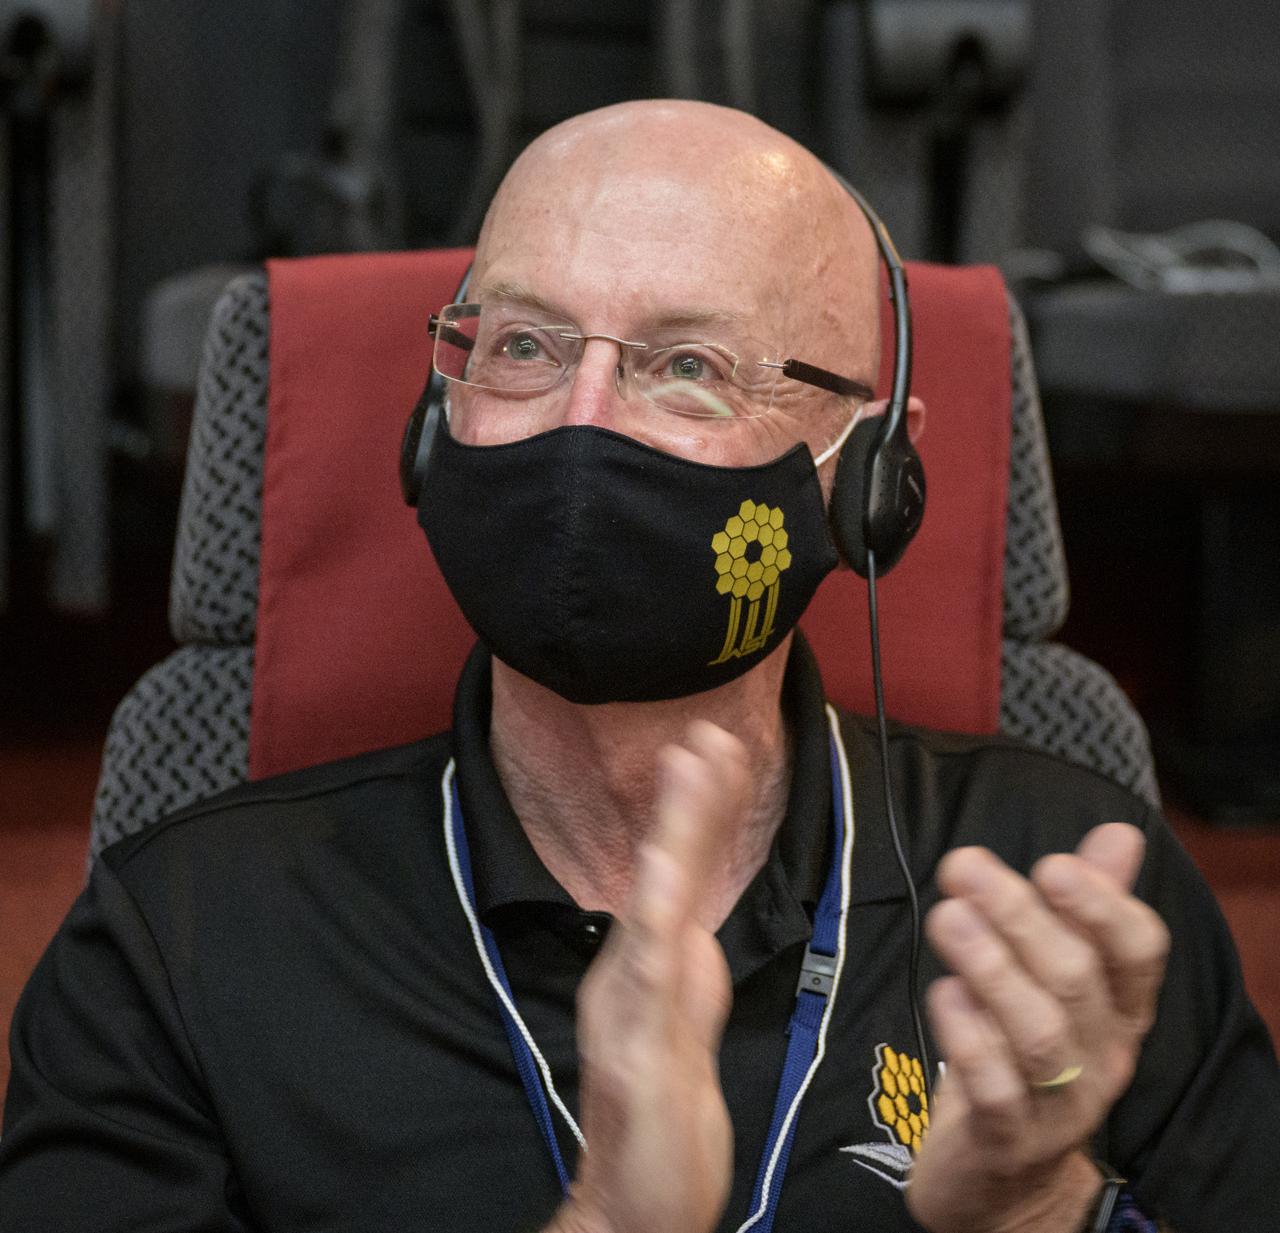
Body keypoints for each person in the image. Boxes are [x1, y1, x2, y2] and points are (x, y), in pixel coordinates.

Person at [1, 100, 1276, 1233]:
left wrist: (1039, 1208)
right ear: (429, 434)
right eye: (523, 347)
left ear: (871, 479)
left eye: (688, 368)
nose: (581, 424)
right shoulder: (174, 938)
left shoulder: (1063, 907)